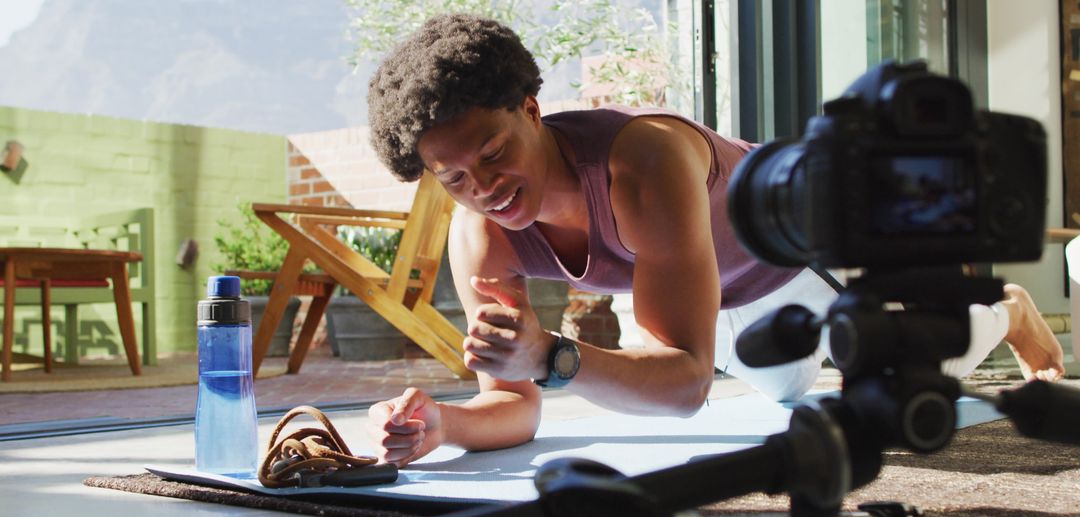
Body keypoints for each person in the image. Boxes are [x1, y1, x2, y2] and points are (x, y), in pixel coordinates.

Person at [363, 13, 1065, 466]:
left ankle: (1005, 311)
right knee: (790, 395)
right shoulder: (481, 234)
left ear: (529, 108)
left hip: (783, 264)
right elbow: (516, 400)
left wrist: (549, 351)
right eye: (452, 176)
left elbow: (685, 386)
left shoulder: (642, 160)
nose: (481, 186)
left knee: (902, 382)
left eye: (492, 152)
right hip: (708, 308)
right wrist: (443, 427)